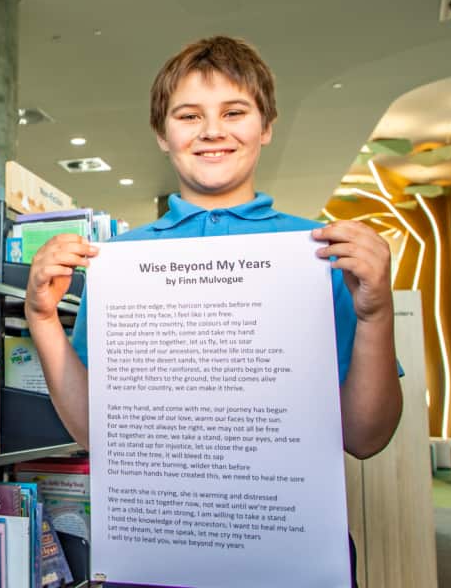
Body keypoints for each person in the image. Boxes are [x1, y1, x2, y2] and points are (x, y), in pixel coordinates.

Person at [24, 35, 403, 461]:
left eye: (234, 112)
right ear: (162, 135)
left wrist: (376, 314)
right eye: (188, 116)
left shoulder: (323, 254)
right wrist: (42, 318)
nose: (212, 131)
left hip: (287, 519)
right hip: (160, 518)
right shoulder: (119, 262)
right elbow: (100, 435)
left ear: (266, 126)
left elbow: (366, 439)